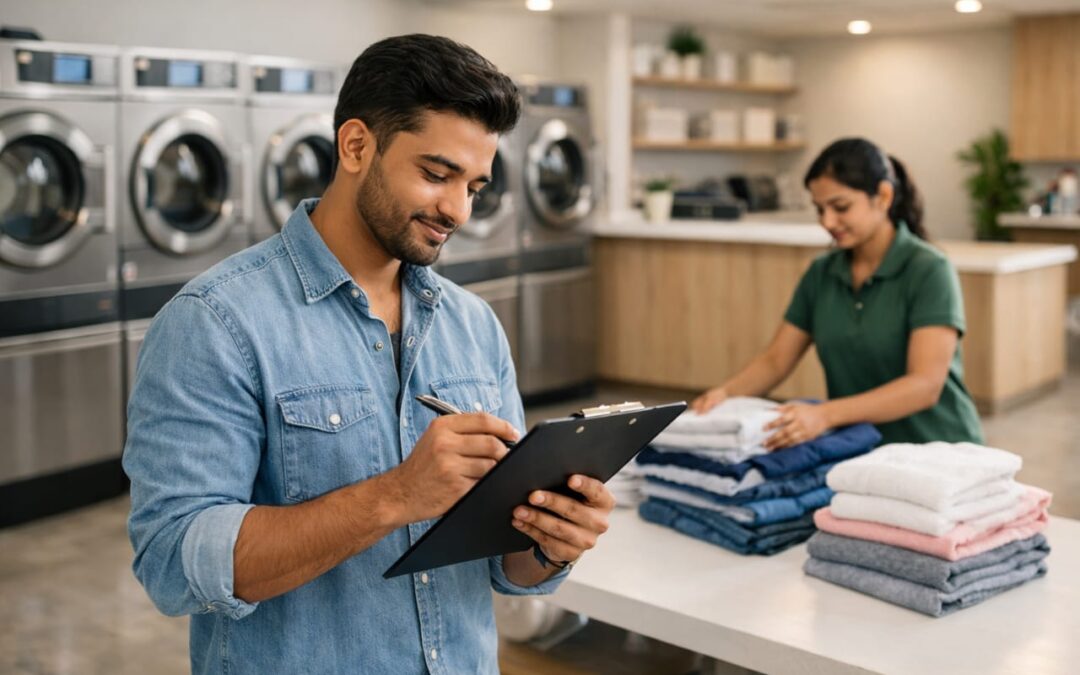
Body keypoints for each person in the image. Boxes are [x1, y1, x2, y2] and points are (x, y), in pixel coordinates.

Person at [123, 34, 615, 675]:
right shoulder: (215, 322)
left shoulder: (474, 326)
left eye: (474, 186)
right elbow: (172, 562)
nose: (457, 210)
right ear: (356, 146)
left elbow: (506, 566)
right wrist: (396, 496)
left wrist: (551, 543)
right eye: (436, 175)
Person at [692, 137, 984, 449]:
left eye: (841, 207)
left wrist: (825, 415)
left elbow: (924, 386)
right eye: (820, 209)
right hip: (862, 450)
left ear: (883, 196)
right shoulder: (822, 273)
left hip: (941, 451)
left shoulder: (929, 270)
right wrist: (725, 394)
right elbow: (776, 361)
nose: (827, 222)